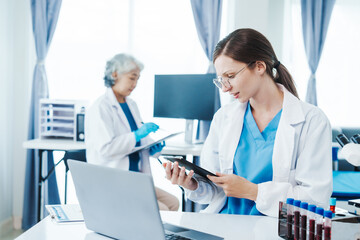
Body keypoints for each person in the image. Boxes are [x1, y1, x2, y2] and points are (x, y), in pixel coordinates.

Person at [163, 28, 332, 217]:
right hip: (223, 225)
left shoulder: (311, 121)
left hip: (272, 230)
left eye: (231, 76)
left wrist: (253, 192)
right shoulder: (224, 118)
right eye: (221, 80)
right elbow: (214, 191)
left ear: (259, 66)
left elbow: (315, 200)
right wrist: (192, 184)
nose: (225, 88)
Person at [86, 53, 179, 211]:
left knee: (173, 203)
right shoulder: (101, 107)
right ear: (115, 74)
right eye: (132, 77)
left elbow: (137, 141)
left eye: (138, 79)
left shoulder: (131, 104)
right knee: (162, 210)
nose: (135, 84)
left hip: (134, 179)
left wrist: (152, 148)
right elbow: (106, 149)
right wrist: (137, 135)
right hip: (114, 181)